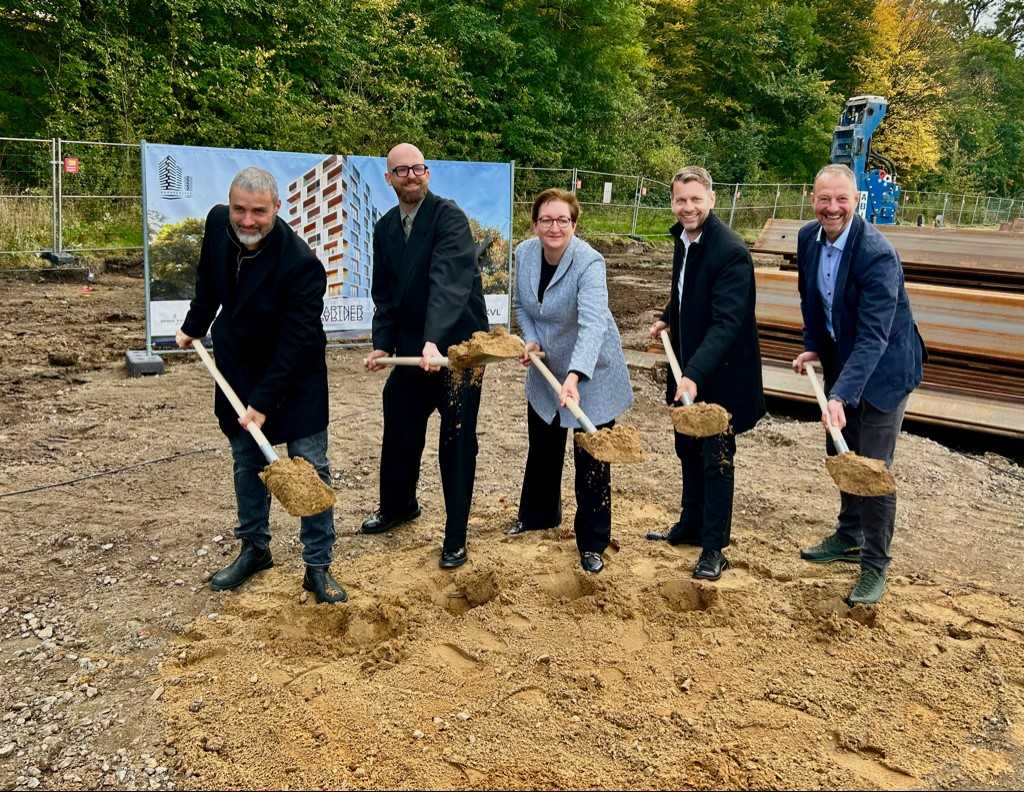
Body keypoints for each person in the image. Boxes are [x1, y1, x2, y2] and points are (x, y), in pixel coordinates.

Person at [175, 167, 345, 604]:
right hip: (239, 369)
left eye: (258, 212)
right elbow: (208, 281)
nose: (247, 221)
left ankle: (318, 565)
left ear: (277, 209)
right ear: (229, 205)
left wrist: (265, 402)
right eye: (240, 210)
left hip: (296, 374)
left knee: (309, 468)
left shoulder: (301, 265)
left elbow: (296, 342)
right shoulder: (217, 223)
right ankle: (255, 548)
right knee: (246, 461)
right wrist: (193, 326)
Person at [792, 163, 926, 606]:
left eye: (841, 199)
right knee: (841, 451)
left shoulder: (876, 253)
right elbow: (812, 302)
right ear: (813, 199)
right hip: (842, 362)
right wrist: (814, 345)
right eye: (824, 199)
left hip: (886, 370)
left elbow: (875, 336)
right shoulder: (808, 238)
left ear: (855, 201)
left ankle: (874, 565)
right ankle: (848, 535)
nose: (832, 208)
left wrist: (840, 394)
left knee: (872, 469)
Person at [363, 143, 489, 569]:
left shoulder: (447, 216)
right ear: (390, 179)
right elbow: (385, 294)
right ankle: (399, 506)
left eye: (418, 168)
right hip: (414, 350)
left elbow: (449, 282)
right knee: (398, 418)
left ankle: (456, 537)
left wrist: (435, 341)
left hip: (456, 351)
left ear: (428, 173)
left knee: (456, 438)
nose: (411, 176)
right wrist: (382, 342)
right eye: (402, 170)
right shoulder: (384, 228)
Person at [646, 166, 765, 581]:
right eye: (681, 200)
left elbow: (727, 323)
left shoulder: (730, 251)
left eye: (696, 199)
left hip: (720, 376)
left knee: (716, 460)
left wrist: (693, 373)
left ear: (711, 200)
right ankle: (690, 525)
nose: (688, 207)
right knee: (687, 449)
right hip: (690, 369)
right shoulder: (683, 239)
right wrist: (667, 317)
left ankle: (714, 547)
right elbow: (685, 290)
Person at [509, 188, 633, 573]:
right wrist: (529, 338)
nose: (554, 227)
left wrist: (576, 375)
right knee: (543, 446)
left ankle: (593, 541)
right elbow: (521, 306)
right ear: (534, 224)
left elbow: (593, 323)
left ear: (574, 224)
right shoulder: (524, 254)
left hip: (590, 370)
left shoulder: (589, 262)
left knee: (591, 457)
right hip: (547, 367)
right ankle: (538, 516)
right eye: (546, 219)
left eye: (563, 219)